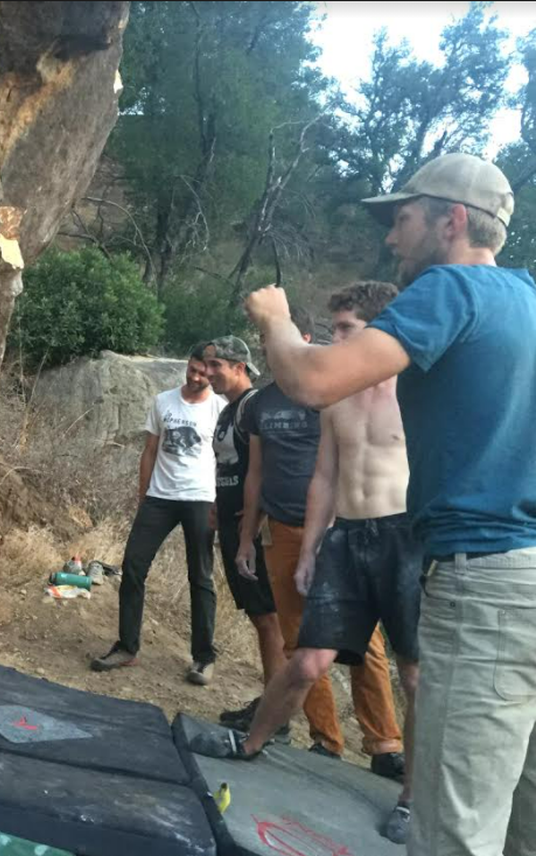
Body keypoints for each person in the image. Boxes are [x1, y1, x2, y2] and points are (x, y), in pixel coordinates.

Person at [243, 152, 536, 856]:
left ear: (453, 220)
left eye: (402, 218)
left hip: (488, 580)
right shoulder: (528, 300)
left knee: (453, 828)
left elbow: (313, 382)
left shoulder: (451, 290)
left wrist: (275, 320)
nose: (391, 237)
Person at [194, 282, 421, 843]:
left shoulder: (419, 392)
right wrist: (315, 546)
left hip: (405, 538)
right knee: (308, 660)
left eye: (345, 329)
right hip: (347, 535)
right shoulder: (336, 397)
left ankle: (413, 797)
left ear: (379, 330)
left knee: (416, 676)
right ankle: (249, 743)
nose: (335, 339)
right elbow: (323, 476)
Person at [236, 307, 405, 770]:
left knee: (366, 647)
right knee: (300, 643)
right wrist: (247, 536)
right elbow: (256, 474)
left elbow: (345, 466)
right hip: (284, 529)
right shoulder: (261, 404)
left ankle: (385, 746)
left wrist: (336, 525)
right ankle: (326, 741)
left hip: (343, 530)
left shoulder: (334, 386)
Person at [92, 345, 226, 685]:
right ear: (187, 366)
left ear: (212, 373)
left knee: (200, 576)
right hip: (159, 497)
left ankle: (203, 658)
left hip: (200, 498)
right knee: (134, 566)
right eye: (192, 370)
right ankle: (127, 647)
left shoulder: (219, 408)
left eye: (203, 373)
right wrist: (143, 495)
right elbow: (149, 450)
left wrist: (219, 503)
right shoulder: (163, 401)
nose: (196, 377)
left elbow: (225, 459)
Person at [200, 337, 287, 732]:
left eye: (216, 365)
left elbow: (267, 465)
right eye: (207, 364)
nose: (208, 372)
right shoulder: (227, 412)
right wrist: (220, 502)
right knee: (258, 616)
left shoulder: (253, 406)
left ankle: (277, 714)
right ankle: (272, 703)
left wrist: (255, 519)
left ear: (240, 366)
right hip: (234, 524)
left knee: (268, 618)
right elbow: (230, 466)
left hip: (251, 528)